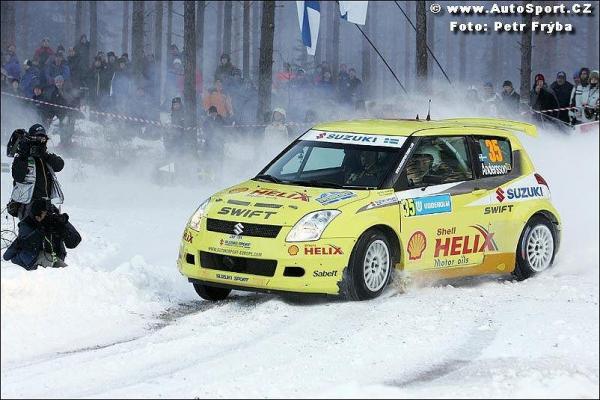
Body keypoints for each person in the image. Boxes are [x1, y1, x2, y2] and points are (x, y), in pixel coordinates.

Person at [2, 198, 81, 270]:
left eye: (48, 213)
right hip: (33, 258)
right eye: (45, 214)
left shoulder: (54, 220)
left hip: (54, 257)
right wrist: (40, 231)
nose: (47, 216)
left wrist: (64, 227)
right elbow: (26, 245)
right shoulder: (27, 223)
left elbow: (74, 242)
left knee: (62, 269)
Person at [8, 124, 65, 220]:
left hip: (46, 204)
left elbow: (59, 165)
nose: (40, 141)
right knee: (32, 229)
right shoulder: (23, 157)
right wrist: (23, 155)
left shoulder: (46, 157)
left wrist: (44, 155)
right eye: (37, 138)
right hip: (28, 205)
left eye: (43, 139)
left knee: (60, 226)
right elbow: (18, 177)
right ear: (30, 139)